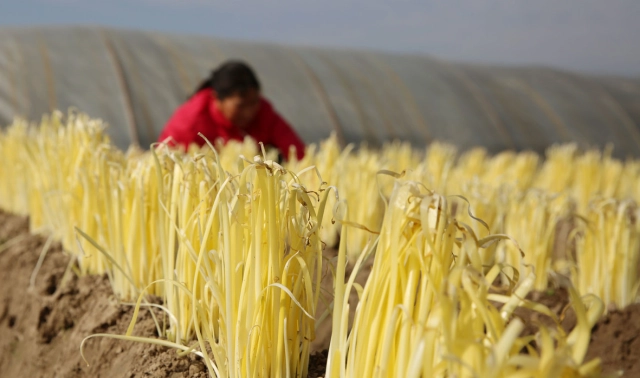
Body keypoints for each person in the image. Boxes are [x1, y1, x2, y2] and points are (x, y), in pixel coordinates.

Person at [158, 60, 305, 160]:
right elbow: (164, 159)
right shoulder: (191, 120)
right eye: (240, 106)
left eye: (253, 102)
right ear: (217, 98)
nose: (249, 112)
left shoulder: (264, 112)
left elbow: (297, 154)